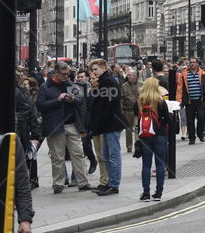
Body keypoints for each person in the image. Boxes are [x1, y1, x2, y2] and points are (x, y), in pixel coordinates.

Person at [37, 60, 91, 193]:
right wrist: (58, 100)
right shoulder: (45, 87)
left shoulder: (71, 84)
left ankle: (82, 182)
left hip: (72, 125)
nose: (67, 76)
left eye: (68, 74)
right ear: (55, 73)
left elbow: (80, 100)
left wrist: (72, 99)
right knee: (57, 157)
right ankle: (58, 184)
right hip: (55, 127)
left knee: (78, 154)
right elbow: (40, 106)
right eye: (64, 74)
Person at [88, 59, 127, 195]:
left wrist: (102, 118)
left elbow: (111, 104)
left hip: (112, 124)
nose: (93, 72)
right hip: (106, 125)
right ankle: (109, 183)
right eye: (92, 70)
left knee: (113, 155)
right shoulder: (104, 81)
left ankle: (114, 184)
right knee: (105, 155)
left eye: (95, 69)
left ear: (104, 68)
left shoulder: (108, 81)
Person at [135, 77, 170, 201]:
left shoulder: (140, 101)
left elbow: (136, 116)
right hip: (160, 135)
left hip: (145, 136)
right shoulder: (160, 101)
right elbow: (168, 120)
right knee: (160, 165)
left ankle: (146, 193)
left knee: (146, 165)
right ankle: (158, 193)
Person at [176, 57, 205, 143]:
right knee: (190, 120)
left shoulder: (203, 74)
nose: (192, 64)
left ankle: (200, 134)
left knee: (201, 118)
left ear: (197, 63)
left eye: (194, 62)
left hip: (200, 100)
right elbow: (180, 88)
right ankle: (192, 138)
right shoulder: (183, 74)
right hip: (189, 101)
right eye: (191, 62)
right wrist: (179, 100)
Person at [120, 70, 140, 153]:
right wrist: (121, 110)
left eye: (130, 75)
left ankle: (137, 145)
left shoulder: (141, 84)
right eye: (128, 75)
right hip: (128, 110)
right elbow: (121, 99)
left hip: (139, 110)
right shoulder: (124, 86)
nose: (128, 76)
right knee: (128, 129)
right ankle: (129, 146)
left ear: (135, 76)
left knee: (138, 128)